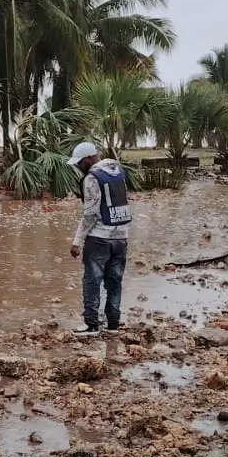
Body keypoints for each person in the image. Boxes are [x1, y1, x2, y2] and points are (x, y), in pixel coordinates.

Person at [67, 140, 131, 334]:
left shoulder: (92, 178)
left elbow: (90, 214)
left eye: (79, 162)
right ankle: (113, 323)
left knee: (92, 281)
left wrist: (77, 241)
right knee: (115, 281)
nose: (78, 167)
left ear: (88, 159)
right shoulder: (118, 172)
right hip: (121, 237)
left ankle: (91, 324)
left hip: (99, 238)